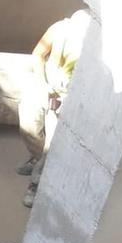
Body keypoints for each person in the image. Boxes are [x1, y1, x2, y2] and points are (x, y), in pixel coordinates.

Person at [16, 10, 91, 207]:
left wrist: (69, 98)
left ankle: (37, 183)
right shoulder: (60, 29)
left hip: (71, 95)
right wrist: (44, 86)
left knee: (53, 144)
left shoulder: (95, 46)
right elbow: (38, 54)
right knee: (28, 126)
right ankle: (38, 158)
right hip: (45, 83)